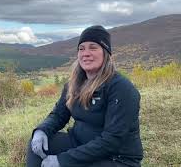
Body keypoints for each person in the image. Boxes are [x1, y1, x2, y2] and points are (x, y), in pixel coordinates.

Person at [26, 25, 143, 167]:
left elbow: (112, 140)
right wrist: (41, 130)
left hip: (115, 158)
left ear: (106, 53)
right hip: (79, 143)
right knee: (38, 145)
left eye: (93, 47)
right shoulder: (73, 85)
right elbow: (58, 115)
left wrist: (63, 160)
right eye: (81, 48)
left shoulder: (121, 88)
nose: (85, 53)